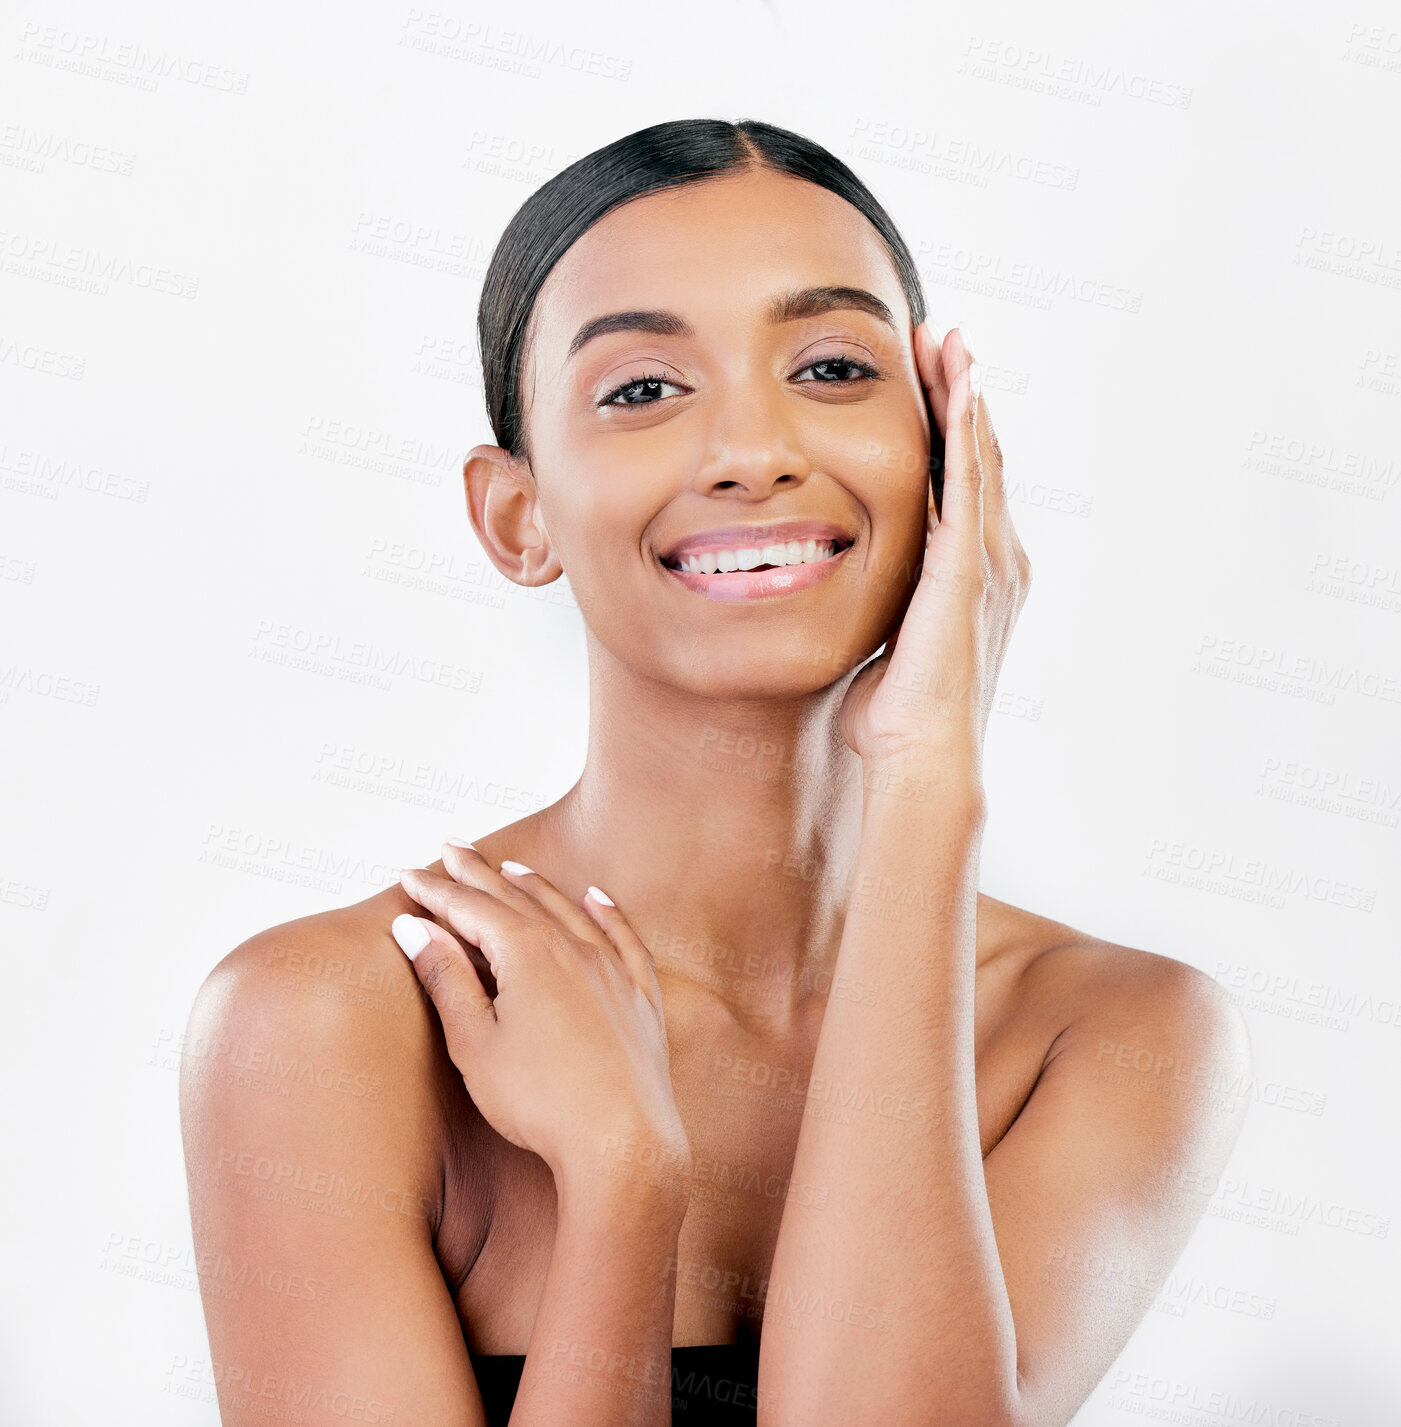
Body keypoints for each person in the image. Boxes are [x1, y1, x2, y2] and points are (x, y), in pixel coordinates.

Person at [180, 118, 1252, 1427]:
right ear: (516, 518)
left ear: (945, 459)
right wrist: (622, 1189)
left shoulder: (1115, 1037)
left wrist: (924, 780)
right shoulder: (332, 1022)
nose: (754, 448)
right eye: (641, 388)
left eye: (831, 365)